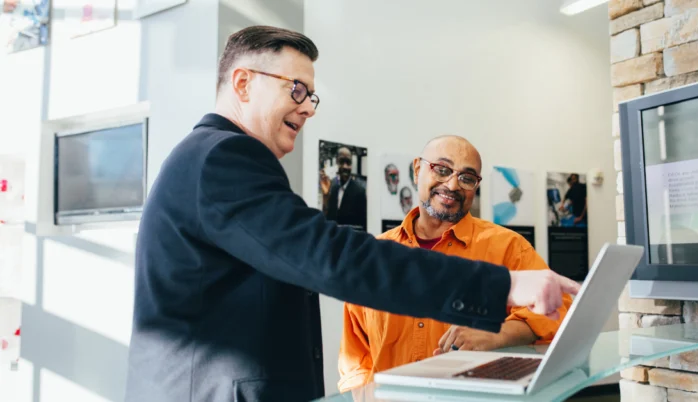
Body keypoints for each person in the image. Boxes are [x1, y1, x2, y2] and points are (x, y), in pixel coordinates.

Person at [125, 25, 580, 402]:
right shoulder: (224, 158)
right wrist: (506, 285)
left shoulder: (210, 159)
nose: (307, 106)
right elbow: (330, 257)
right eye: (296, 89)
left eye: (312, 96)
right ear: (243, 83)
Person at [337, 136, 573, 392]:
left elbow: (559, 310)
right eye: (442, 169)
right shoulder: (376, 255)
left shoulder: (508, 247)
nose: (452, 185)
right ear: (418, 170)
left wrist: (497, 334)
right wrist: (362, 394)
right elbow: (355, 356)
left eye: (467, 178)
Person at [320, 147, 367, 230]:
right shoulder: (333, 188)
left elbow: (363, 227)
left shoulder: (360, 192)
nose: (345, 166)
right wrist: (325, 196)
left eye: (348, 163)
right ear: (337, 163)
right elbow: (327, 219)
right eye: (341, 162)